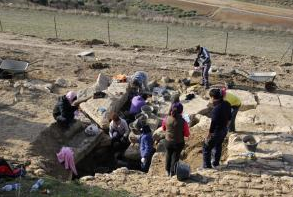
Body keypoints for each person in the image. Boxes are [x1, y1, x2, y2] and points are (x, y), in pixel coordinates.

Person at [202, 89, 231, 169]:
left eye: (210, 97)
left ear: (212, 97)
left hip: (216, 132)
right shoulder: (227, 103)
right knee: (218, 145)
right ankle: (216, 163)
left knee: (206, 147)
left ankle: (207, 167)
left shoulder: (216, 109)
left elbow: (213, 123)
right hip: (224, 130)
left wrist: (209, 135)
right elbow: (229, 118)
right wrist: (225, 126)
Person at [162, 104, 190, 176]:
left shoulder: (166, 119)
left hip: (168, 141)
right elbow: (187, 134)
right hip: (178, 143)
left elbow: (164, 128)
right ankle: (172, 172)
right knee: (175, 157)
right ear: (181, 111)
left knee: (168, 154)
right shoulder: (184, 122)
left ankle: (167, 171)